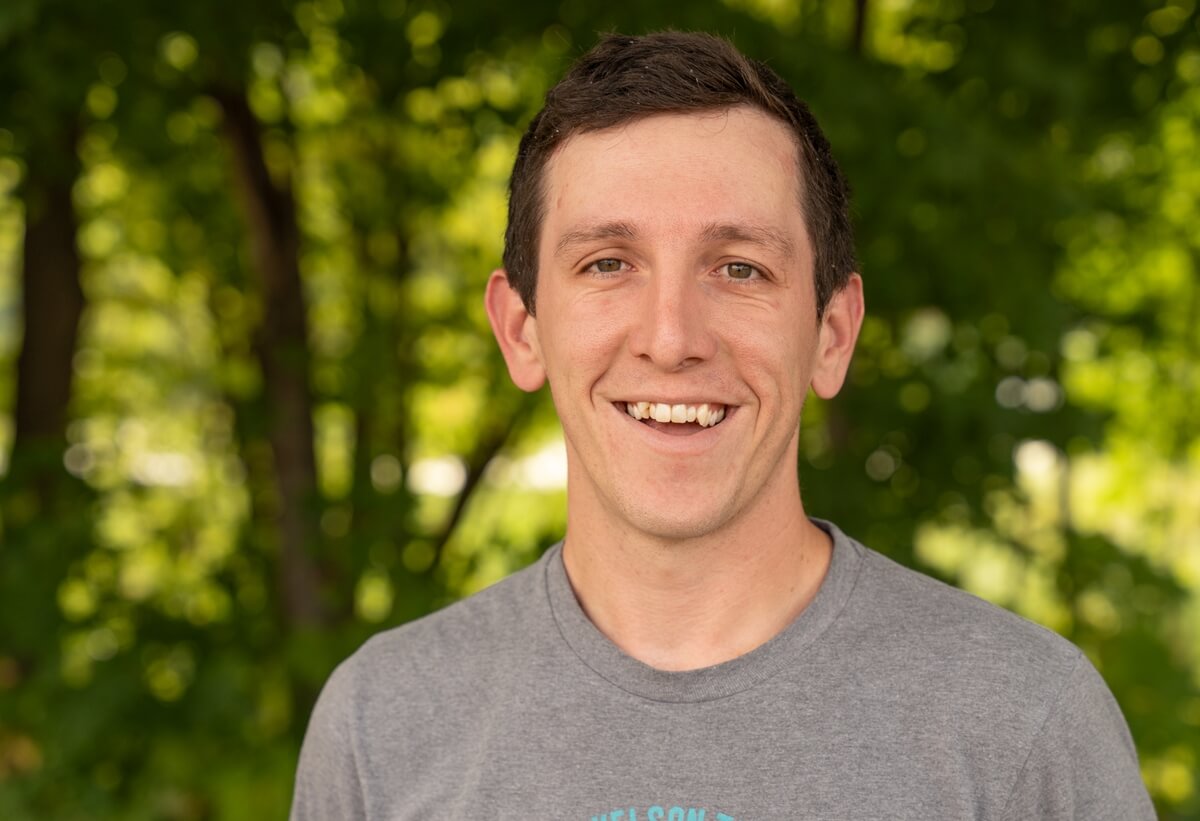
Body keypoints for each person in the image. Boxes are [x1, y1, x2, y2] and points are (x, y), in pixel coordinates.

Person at [291, 32, 1155, 820]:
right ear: (521, 329)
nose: (672, 338)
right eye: (608, 263)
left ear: (831, 334)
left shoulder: (1024, 727)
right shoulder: (380, 726)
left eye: (739, 268)